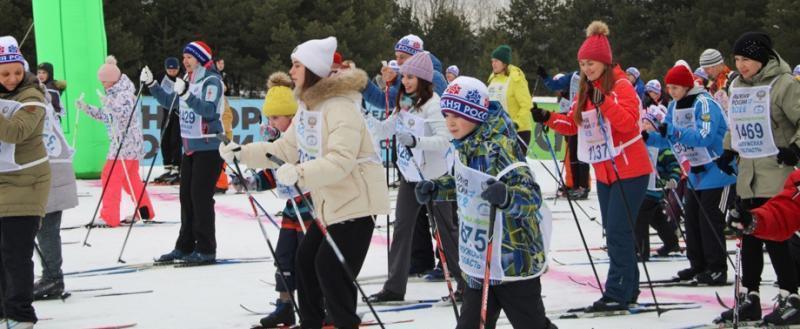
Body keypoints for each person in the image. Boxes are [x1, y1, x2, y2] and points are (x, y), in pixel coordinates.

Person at [220, 37, 390, 328]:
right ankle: (312, 322)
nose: (291, 70)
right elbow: (285, 149)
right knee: (305, 262)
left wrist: (299, 173)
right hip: (330, 205)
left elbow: (341, 161)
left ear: (312, 69)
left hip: (355, 205)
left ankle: (341, 322)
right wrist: (243, 152)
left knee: (330, 270)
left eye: (297, 64)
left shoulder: (340, 107)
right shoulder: (310, 108)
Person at [415, 76, 554, 329]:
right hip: (480, 260)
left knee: (531, 324)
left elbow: (532, 196)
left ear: (476, 115)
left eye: (458, 115)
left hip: (514, 261)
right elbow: (465, 183)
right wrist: (437, 188)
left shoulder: (500, 147)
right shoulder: (467, 145)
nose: (450, 123)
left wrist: (507, 196)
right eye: (446, 115)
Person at [532, 21, 652, 310]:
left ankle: (618, 291)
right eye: (583, 64)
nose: (587, 68)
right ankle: (628, 287)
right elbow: (575, 126)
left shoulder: (621, 86)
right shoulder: (587, 89)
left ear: (605, 62)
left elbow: (626, 123)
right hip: (606, 173)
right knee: (615, 231)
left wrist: (605, 102)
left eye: (592, 63)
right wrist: (548, 118)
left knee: (618, 231)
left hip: (631, 170)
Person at [713, 32, 800, 325]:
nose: (741, 65)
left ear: (761, 58)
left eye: (746, 59)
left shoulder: (783, 84)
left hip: (776, 173)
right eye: (737, 59)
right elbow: (735, 122)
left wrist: (795, 148)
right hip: (748, 173)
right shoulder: (738, 84)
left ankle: (791, 296)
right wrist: (727, 149)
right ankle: (749, 296)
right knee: (747, 236)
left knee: (776, 236)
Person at [363, 52, 463, 303]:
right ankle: (394, 287)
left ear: (423, 79)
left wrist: (416, 140)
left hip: (435, 177)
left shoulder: (433, 103)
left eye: (410, 77)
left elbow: (445, 139)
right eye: (404, 76)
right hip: (411, 175)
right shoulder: (406, 101)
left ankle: (466, 284)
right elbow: (389, 127)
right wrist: (370, 123)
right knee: (402, 227)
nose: (405, 81)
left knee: (445, 231)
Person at [644, 62, 735, 282]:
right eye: (669, 87)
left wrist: (673, 131)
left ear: (686, 86)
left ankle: (717, 268)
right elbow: (668, 136)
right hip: (695, 172)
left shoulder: (704, 103)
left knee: (710, 220)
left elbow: (705, 136)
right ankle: (698, 265)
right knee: (692, 220)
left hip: (718, 169)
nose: (670, 92)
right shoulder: (674, 107)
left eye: (675, 87)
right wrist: (650, 138)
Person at [142, 40, 225, 264]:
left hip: (208, 148)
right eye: (184, 57)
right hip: (189, 147)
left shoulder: (212, 80)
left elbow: (208, 111)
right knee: (186, 198)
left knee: (200, 199)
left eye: (189, 57)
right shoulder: (187, 79)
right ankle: (185, 246)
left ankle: (206, 248)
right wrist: (152, 85)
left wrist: (187, 94)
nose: (184, 61)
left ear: (200, 58)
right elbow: (171, 102)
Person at [247, 71, 315, 328]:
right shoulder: (277, 139)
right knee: (284, 257)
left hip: (310, 206)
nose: (272, 123)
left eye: (276, 118)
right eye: (270, 118)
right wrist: (257, 181)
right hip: (291, 208)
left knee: (309, 260)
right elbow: (273, 173)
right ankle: (285, 306)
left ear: (291, 115)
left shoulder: (303, 137)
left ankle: (322, 306)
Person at [0, 35, 51, 328]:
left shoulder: (32, 97)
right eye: (5, 74)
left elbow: (15, 133)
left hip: (27, 183)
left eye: (17, 72)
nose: (12, 78)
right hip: (3, 182)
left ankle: (20, 314)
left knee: (15, 253)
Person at [76, 55, 154, 227]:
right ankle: (145, 210)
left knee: (110, 176)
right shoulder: (115, 93)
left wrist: (110, 104)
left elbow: (125, 114)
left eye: (104, 81)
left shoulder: (124, 94)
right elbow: (107, 117)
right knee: (130, 179)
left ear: (112, 79)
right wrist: (86, 108)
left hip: (124, 144)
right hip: (128, 144)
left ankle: (109, 216)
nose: (102, 85)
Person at [32, 68, 79, 300]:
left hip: (49, 171)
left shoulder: (33, 100)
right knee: (41, 229)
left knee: (46, 229)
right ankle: (50, 276)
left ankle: (53, 278)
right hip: (42, 171)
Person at [537, 67, 591, 199]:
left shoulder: (589, 78)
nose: (560, 91)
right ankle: (575, 185)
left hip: (586, 120)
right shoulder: (570, 84)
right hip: (573, 122)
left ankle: (584, 186)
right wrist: (545, 77)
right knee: (572, 156)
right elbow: (556, 87)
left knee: (581, 156)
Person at [362, 34, 448, 109]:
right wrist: (363, 83)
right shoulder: (403, 79)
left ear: (416, 57)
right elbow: (385, 101)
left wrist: (396, 80)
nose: (398, 62)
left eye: (402, 57)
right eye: (397, 57)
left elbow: (422, 103)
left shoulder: (435, 77)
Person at [487, 44, 534, 155]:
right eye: (492, 61)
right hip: (497, 131)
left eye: (496, 61)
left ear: (504, 62)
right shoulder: (492, 79)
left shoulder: (515, 78)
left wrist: (515, 124)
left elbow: (527, 105)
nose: (493, 64)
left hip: (518, 131)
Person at [153, 57, 183, 185]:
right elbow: (154, 87)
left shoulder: (182, 78)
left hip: (178, 112)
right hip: (166, 111)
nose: (172, 72)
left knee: (175, 140)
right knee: (164, 139)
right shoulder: (161, 77)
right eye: (169, 70)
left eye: (174, 69)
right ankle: (168, 167)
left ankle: (177, 168)